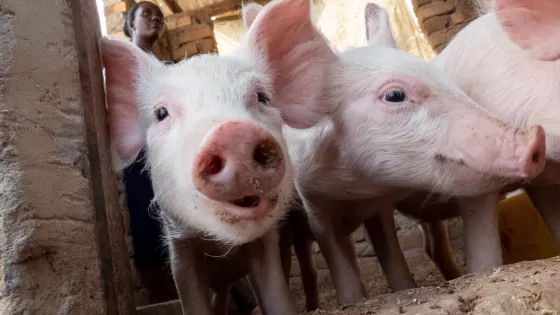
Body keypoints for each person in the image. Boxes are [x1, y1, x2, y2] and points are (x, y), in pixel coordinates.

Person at [121, 3, 260, 312]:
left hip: (179, 156)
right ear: (130, 24)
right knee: (166, 232)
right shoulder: (125, 72)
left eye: (159, 15)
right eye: (147, 14)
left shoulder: (171, 68)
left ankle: (233, 296)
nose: (156, 18)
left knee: (203, 219)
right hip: (144, 161)